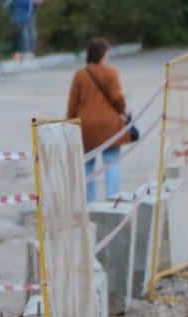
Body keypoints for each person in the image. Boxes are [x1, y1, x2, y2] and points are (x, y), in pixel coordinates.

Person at [66, 38, 132, 202]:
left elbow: (73, 103)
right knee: (112, 162)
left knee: (87, 165)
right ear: (102, 54)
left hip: (85, 127)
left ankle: (90, 203)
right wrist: (123, 111)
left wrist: (69, 124)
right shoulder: (111, 73)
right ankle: (112, 198)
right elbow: (117, 98)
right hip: (109, 125)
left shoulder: (80, 75)